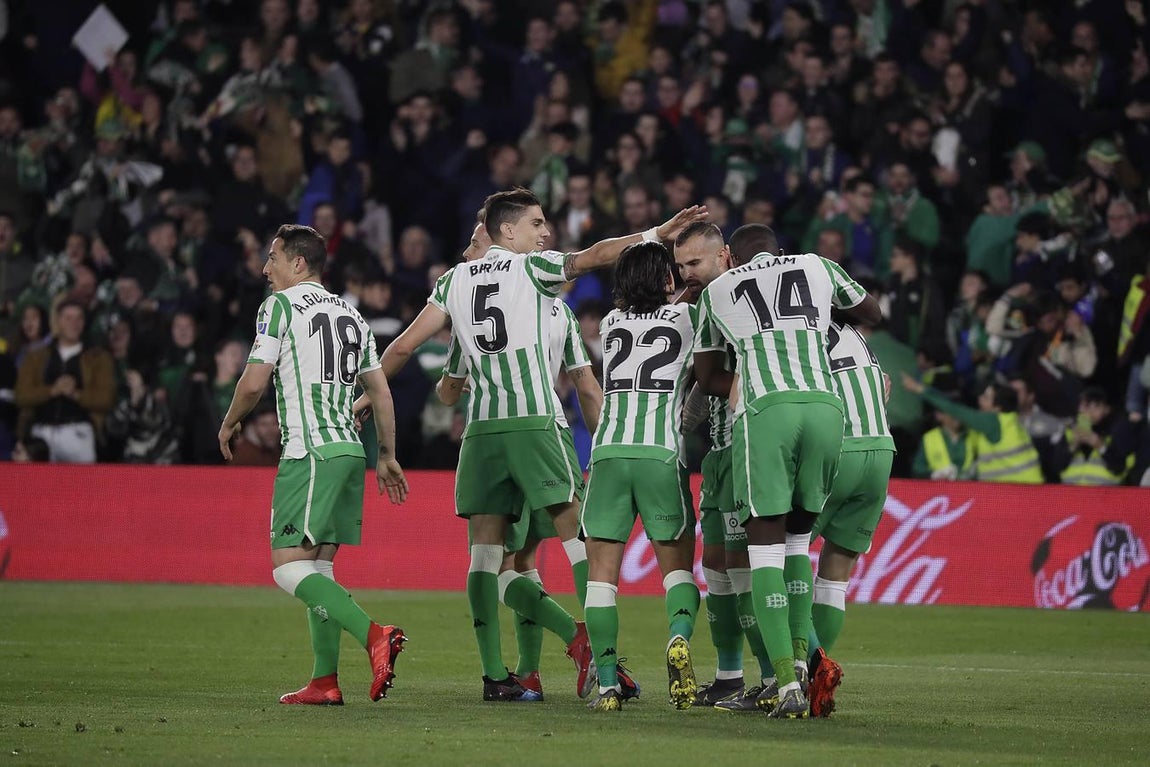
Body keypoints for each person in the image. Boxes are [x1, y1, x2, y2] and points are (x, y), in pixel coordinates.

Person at [365, 188, 707, 701]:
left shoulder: (453, 283)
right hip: (538, 424)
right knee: (578, 539)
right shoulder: (540, 282)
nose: (545, 232)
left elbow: (406, 349)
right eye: (537, 224)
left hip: (481, 433)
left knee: (491, 558)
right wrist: (657, 233)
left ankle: (498, 674)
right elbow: (591, 263)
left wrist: (361, 403)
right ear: (508, 231)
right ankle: (593, 649)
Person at [435, 216, 632, 702]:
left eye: (474, 240)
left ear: (497, 241)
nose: (467, 250)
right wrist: (605, 444)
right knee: (531, 558)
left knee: (505, 565)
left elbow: (447, 389)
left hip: (492, 435)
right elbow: (586, 384)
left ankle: (571, 644)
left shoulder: (466, 305)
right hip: (546, 434)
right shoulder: (556, 309)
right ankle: (549, 664)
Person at [217, 224, 410, 707]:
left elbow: (254, 381)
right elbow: (381, 391)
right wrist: (386, 454)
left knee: (287, 569)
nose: (266, 269)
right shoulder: (352, 315)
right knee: (318, 569)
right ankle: (325, 682)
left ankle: (374, 635)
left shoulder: (278, 308)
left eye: (273, 258)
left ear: (298, 263)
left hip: (311, 453)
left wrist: (230, 423)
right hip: (349, 452)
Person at [693, 224, 880, 718]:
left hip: (767, 409)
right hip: (825, 405)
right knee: (800, 541)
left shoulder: (716, 292)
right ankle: (802, 667)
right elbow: (871, 313)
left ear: (730, 255)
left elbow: (710, 376)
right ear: (781, 250)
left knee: (765, 549)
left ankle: (785, 684)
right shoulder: (817, 265)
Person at [581, 241, 702, 712]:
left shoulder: (610, 325)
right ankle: (677, 637)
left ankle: (609, 685)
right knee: (677, 572)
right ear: (668, 280)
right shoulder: (687, 321)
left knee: (600, 580)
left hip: (608, 452)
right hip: (659, 453)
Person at [673, 222, 772, 709]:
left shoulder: (742, 304)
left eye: (695, 264)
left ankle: (777, 676)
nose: (687, 274)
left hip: (746, 445)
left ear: (725, 256)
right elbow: (701, 381)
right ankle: (730, 675)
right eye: (681, 266)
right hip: (715, 455)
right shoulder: (703, 307)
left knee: (746, 563)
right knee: (715, 564)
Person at [803, 320, 894, 717]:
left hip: (838, 452)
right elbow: (885, 385)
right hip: (881, 449)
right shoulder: (857, 337)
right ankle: (817, 681)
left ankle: (807, 664)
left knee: (773, 557)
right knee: (835, 573)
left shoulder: (801, 335)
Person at [14, 301, 115, 463]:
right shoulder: (35, 357)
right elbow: (21, 396)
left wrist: (75, 394)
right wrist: (53, 390)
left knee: (80, 487)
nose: (73, 324)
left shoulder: (98, 358)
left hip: (79, 434)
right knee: (37, 488)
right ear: (57, 321)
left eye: (78, 319)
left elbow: (106, 400)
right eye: (68, 318)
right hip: (40, 435)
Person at [900, 376, 1044, 484]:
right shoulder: (1010, 422)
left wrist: (921, 390)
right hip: (1025, 487)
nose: (980, 399)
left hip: (1020, 490)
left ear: (997, 408)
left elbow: (954, 409)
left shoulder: (993, 421)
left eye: (986, 398)